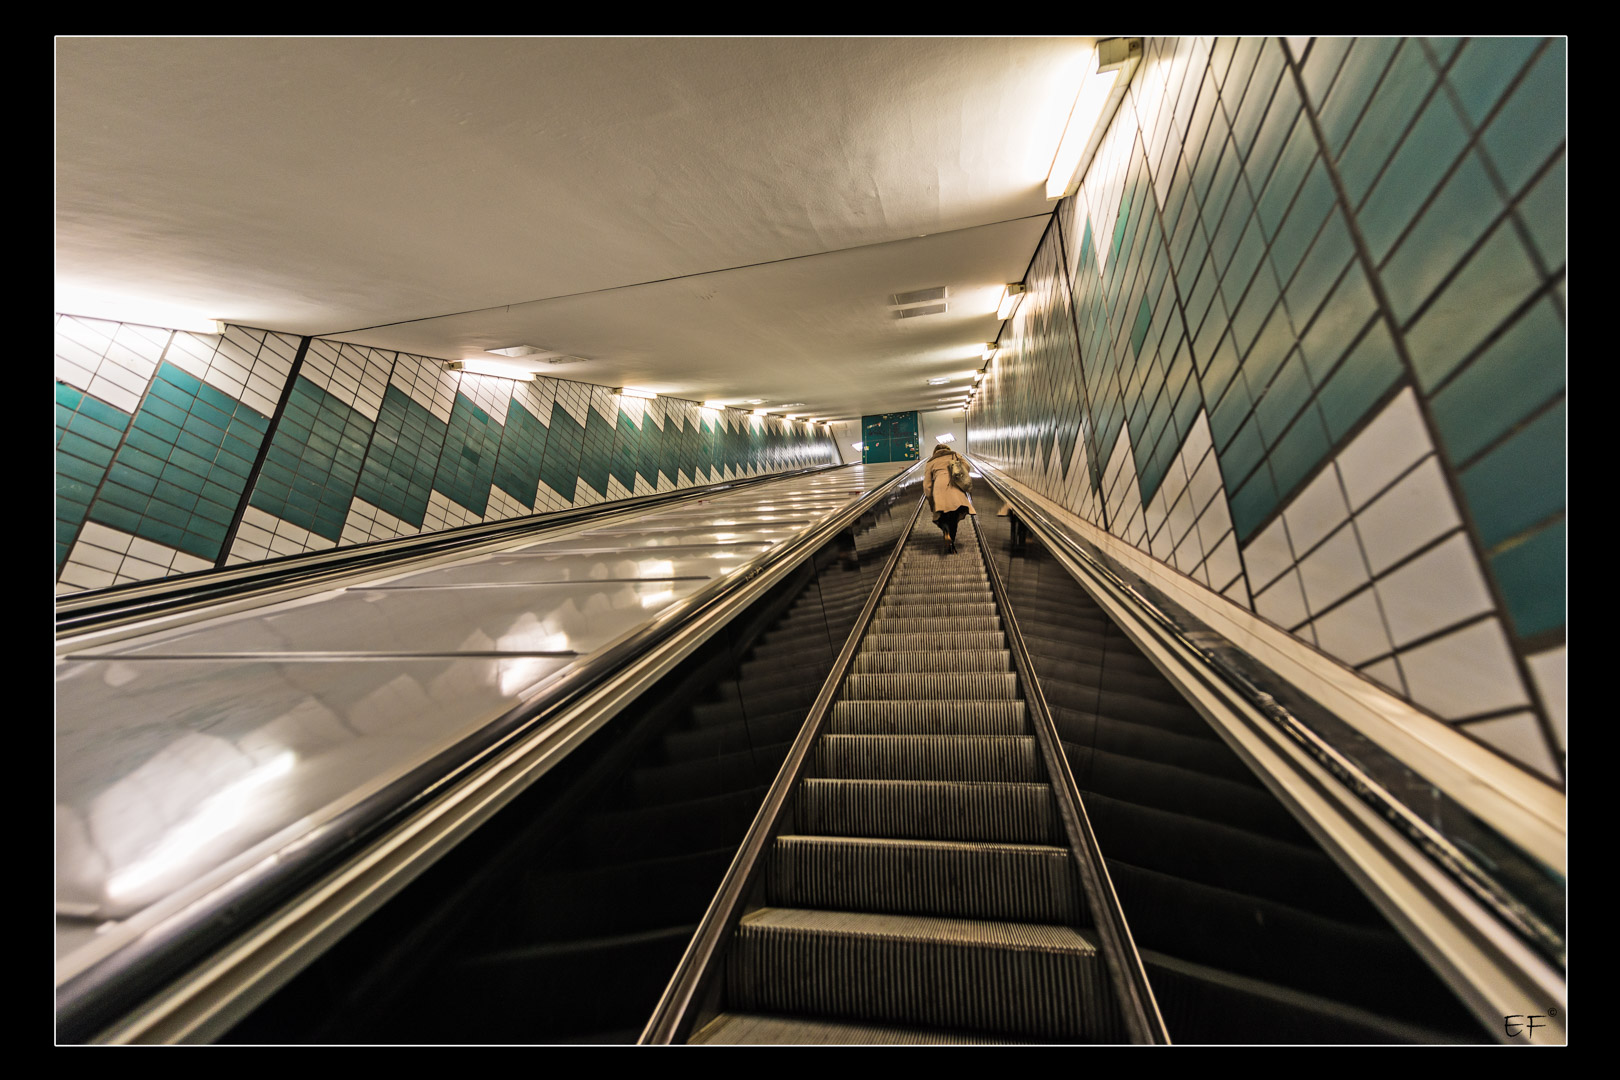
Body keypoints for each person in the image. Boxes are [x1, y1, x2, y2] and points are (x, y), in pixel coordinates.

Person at [924, 444, 975, 553]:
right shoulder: (955, 455)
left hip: (939, 487)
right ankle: (952, 544)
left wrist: (931, 500)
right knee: (954, 516)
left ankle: (945, 531)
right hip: (955, 485)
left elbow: (927, 485)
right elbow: (966, 467)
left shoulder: (931, 462)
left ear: (935, 451)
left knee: (941, 515)